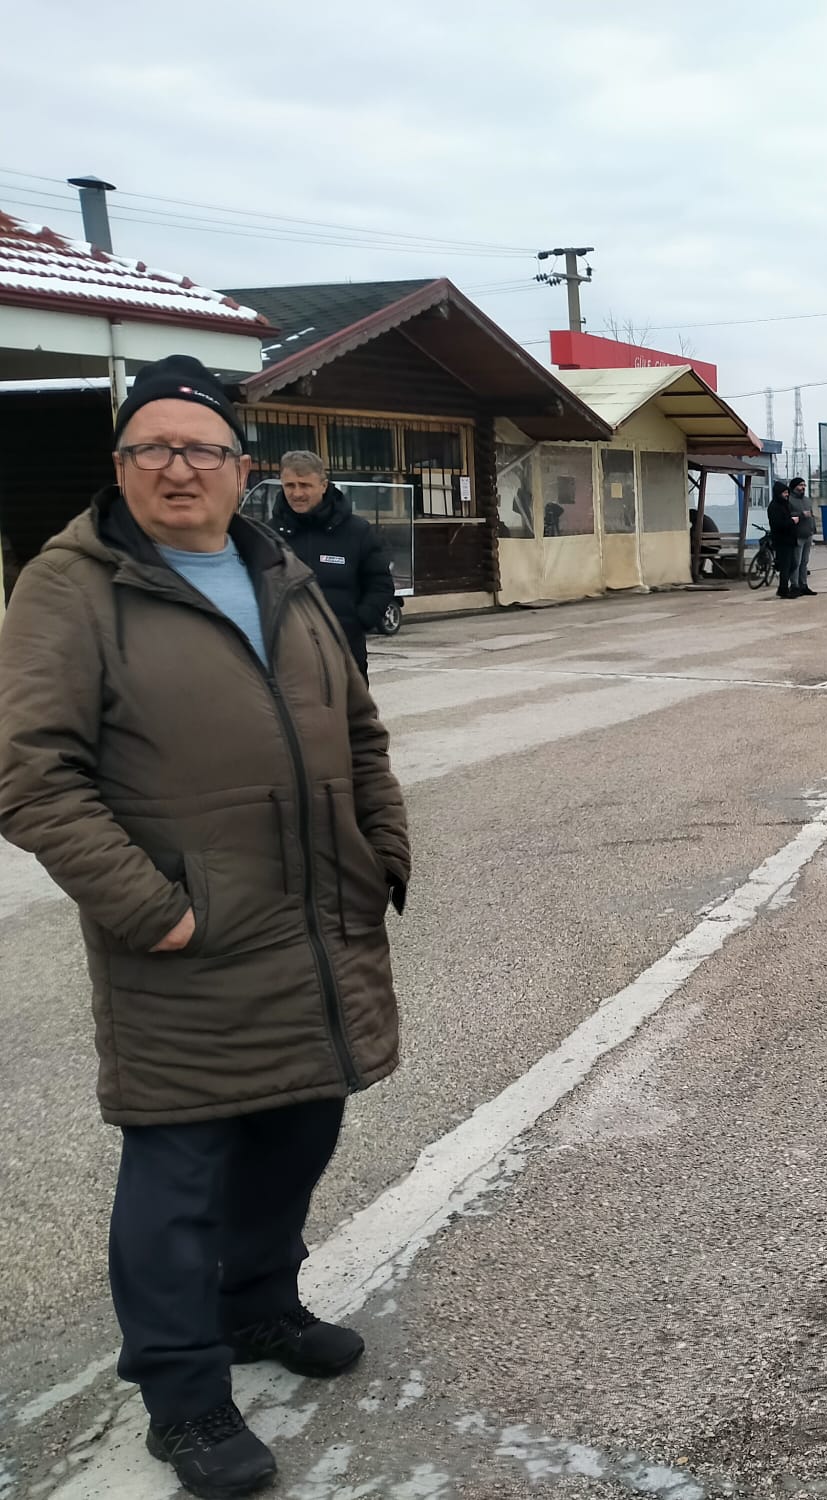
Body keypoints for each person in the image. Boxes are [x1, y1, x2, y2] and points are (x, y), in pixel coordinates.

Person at [0, 355, 409, 1497]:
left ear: (242, 471)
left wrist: (384, 854)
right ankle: (182, 1397)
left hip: (317, 923)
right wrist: (153, 909)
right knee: (180, 1170)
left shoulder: (275, 566)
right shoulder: (71, 586)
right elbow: (30, 776)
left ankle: (259, 1307)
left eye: (204, 449)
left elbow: (357, 731)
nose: (181, 468)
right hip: (184, 941)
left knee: (296, 1133)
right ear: (121, 467)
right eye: (155, 448)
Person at [268, 450, 395, 679]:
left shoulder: (357, 532)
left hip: (344, 654)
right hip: (287, 658)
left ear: (323, 485)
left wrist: (358, 622)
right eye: (290, 485)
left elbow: (381, 584)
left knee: (351, 716)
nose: (297, 493)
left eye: (305, 485)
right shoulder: (269, 535)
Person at [764, 476, 799, 599]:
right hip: (782, 541)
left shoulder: (785, 505)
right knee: (786, 566)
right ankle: (783, 589)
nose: (787, 495)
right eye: (784, 493)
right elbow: (778, 524)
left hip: (789, 540)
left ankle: (782, 587)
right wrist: (792, 521)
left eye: (787, 493)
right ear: (779, 493)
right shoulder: (774, 507)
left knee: (793, 564)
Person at [787, 476, 817, 596]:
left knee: (804, 561)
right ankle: (794, 585)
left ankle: (803, 585)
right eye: (800, 485)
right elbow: (787, 515)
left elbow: (812, 515)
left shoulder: (807, 500)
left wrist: (813, 529)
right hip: (797, 535)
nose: (803, 487)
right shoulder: (789, 500)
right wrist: (800, 514)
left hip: (808, 534)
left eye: (804, 485)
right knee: (796, 562)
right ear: (794, 487)